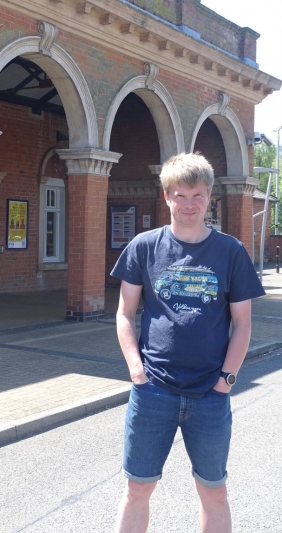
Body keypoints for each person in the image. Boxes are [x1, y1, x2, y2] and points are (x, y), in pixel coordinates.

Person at [111, 152, 265, 533]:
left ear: (209, 196)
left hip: (209, 395)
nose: (189, 203)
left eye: (197, 194)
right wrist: (136, 370)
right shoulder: (144, 247)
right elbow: (124, 314)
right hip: (153, 392)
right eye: (180, 194)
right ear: (166, 197)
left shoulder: (230, 252)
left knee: (214, 491)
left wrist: (226, 381)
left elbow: (243, 325)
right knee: (137, 489)